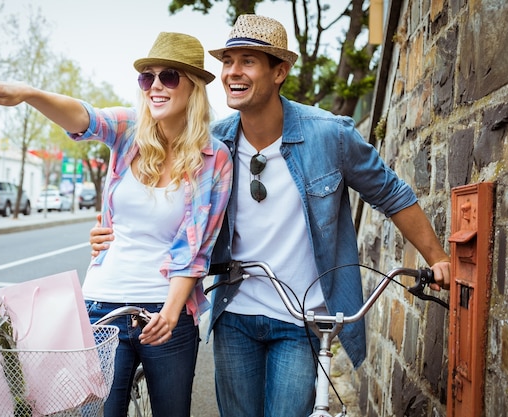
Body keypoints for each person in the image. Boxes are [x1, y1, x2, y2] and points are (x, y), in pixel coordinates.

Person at [89, 15, 451, 417]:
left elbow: (391, 193)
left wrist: (437, 258)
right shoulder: (215, 146)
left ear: (280, 72)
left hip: (302, 319)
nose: (232, 72)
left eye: (248, 61)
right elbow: (176, 221)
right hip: (236, 316)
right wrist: (113, 233)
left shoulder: (329, 135)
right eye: (227, 61)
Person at [0, 31, 233, 417]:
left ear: (193, 86)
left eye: (169, 76)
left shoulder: (214, 157)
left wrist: (172, 311)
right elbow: (82, 116)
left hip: (166, 309)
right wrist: (28, 94)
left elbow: (197, 248)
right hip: (101, 305)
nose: (155, 86)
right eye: (147, 77)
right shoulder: (128, 130)